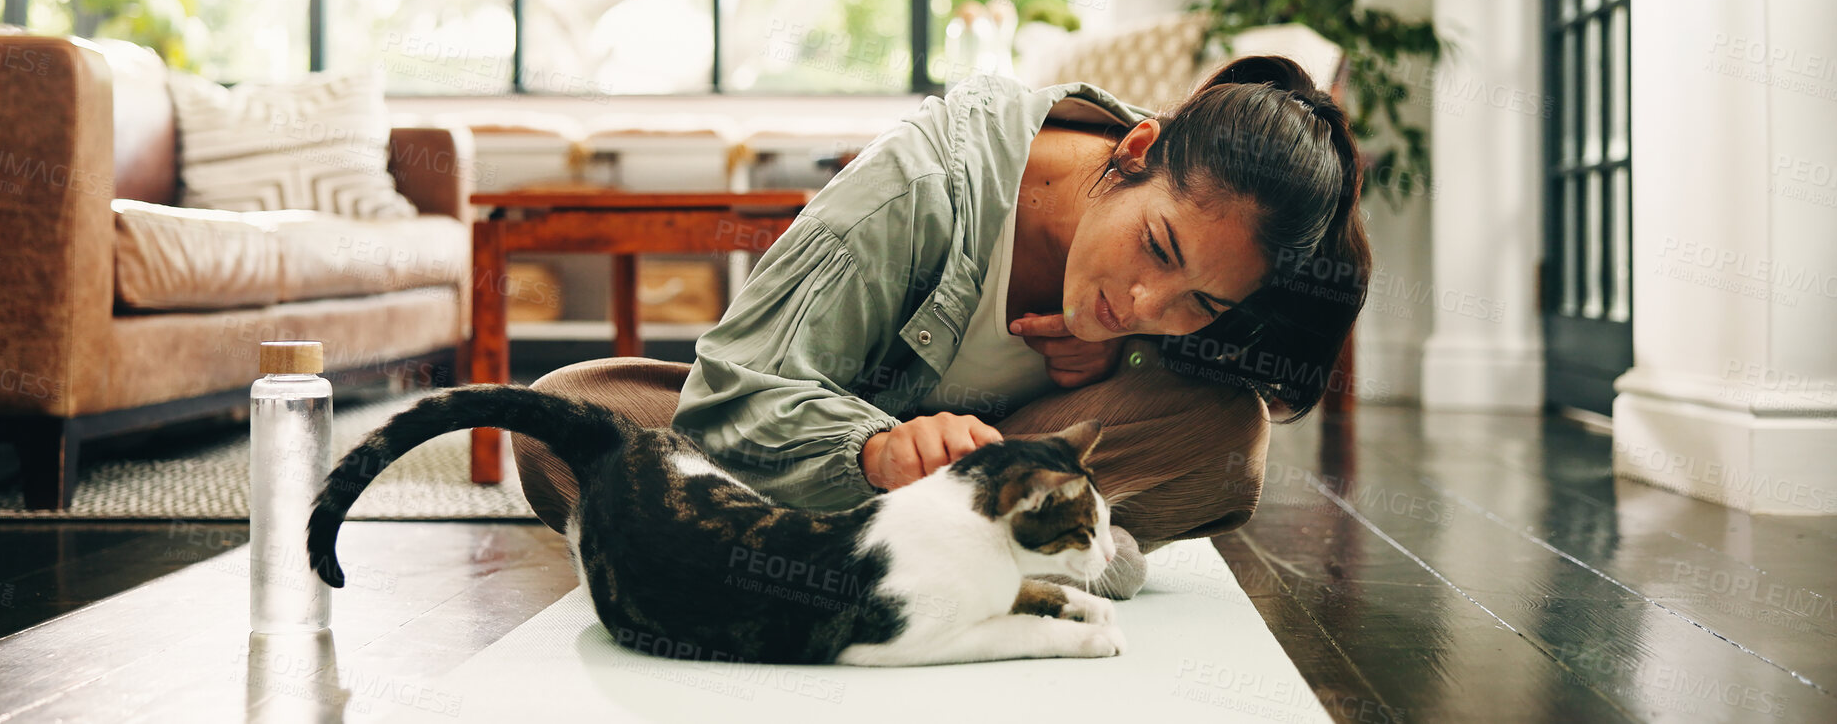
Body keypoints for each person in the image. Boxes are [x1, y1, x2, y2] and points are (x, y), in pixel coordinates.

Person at [512, 54, 1371, 598]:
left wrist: (1126, 350)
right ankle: (1005, 559)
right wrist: (875, 450)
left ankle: (876, 567)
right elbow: (730, 396)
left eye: (1197, 302)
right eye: (1155, 248)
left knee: (1230, 433)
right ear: (1136, 148)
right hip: (837, 465)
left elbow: (1186, 370)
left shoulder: (1150, 295)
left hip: (985, 466)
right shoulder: (918, 185)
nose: (1148, 299)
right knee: (559, 419)